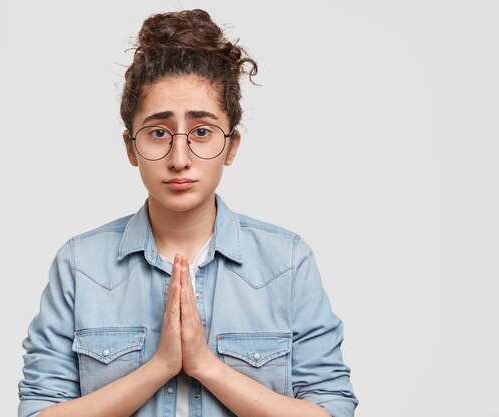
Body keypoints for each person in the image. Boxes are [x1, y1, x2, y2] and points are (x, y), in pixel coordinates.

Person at [18, 8, 358, 417]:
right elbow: (37, 413)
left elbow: (332, 410)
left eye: (201, 131)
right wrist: (160, 367)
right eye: (159, 132)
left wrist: (206, 367)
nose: (180, 158)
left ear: (231, 146)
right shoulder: (79, 265)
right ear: (130, 147)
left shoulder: (286, 263)